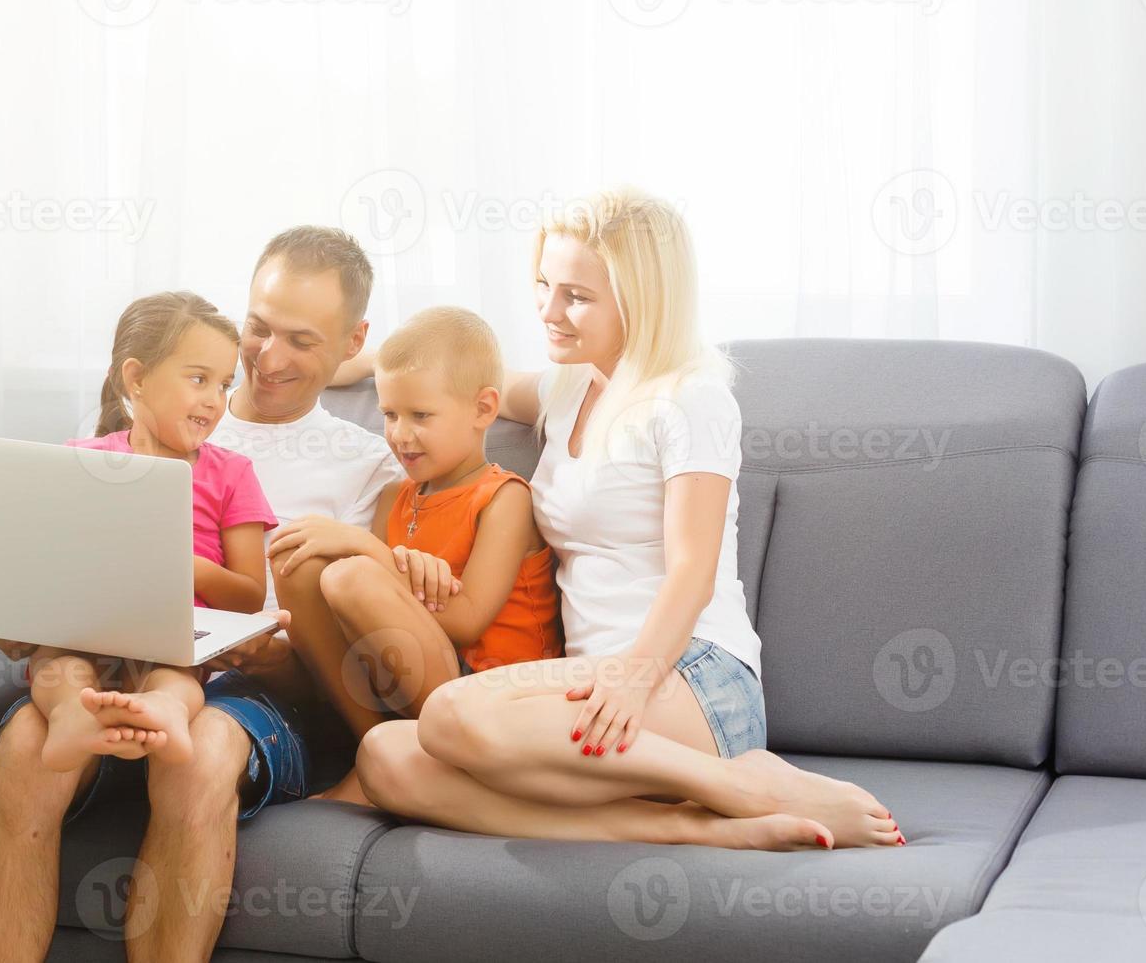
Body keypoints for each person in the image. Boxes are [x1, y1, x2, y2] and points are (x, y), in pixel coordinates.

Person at [340, 188, 906, 851]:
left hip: (685, 675)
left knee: (452, 713)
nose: (549, 311)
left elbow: (693, 572)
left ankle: (741, 786)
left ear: (640, 298)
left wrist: (633, 680)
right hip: (593, 695)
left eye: (576, 296)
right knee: (386, 757)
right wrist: (359, 362)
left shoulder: (690, 398)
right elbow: (465, 382)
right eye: (544, 284)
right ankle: (680, 825)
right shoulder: (568, 387)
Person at [0, 229, 396, 963]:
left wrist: (269, 652)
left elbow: (357, 659)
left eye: (303, 339)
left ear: (353, 340)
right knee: (27, 747)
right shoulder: (134, 426)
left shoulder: (370, 464)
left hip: (247, 685)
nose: (266, 358)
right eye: (259, 328)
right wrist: (26, 618)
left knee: (196, 756)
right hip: (108, 656)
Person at [268, 307, 561, 786]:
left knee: (351, 573)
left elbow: (466, 621)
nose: (400, 434)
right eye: (389, 414)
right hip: (406, 680)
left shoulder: (504, 498)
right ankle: (374, 753)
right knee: (295, 559)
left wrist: (366, 547)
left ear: (483, 410)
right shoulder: (394, 497)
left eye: (420, 415)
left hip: (491, 697)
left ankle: (400, 763)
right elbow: (372, 612)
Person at [14, 292, 279, 772]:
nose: (214, 401)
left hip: (175, 640)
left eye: (223, 385)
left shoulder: (233, 474)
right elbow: (46, 559)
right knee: (59, 670)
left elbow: (248, 596)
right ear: (136, 379)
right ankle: (74, 718)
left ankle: (168, 714)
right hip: (85, 632)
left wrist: (185, 568)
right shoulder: (81, 459)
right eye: (199, 379)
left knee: (175, 678)